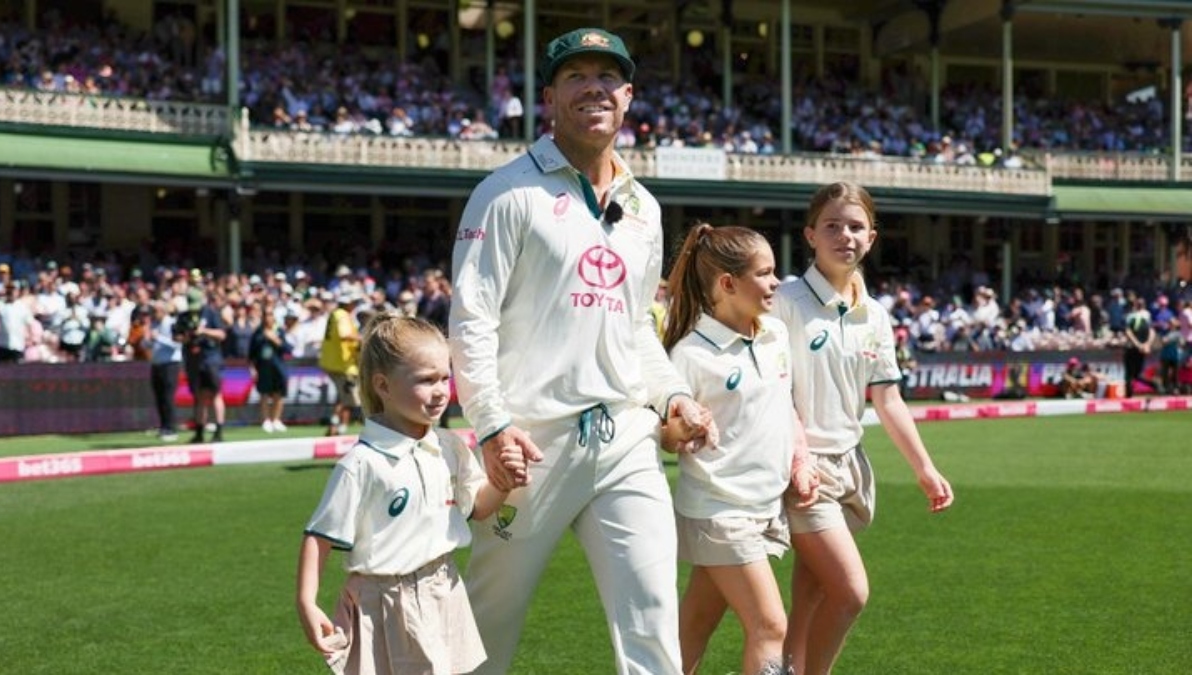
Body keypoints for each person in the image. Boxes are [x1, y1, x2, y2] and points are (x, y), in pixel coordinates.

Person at [449, 27, 715, 674]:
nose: (593, 87)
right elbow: (470, 318)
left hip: (625, 437)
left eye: (607, 77)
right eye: (576, 76)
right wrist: (492, 425)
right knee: (482, 633)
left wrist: (672, 393)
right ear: (549, 96)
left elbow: (635, 332)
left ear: (627, 97)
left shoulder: (644, 209)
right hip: (528, 445)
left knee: (654, 624)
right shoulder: (506, 192)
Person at [772, 181, 954, 675]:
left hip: (852, 467)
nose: (844, 235)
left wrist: (925, 468)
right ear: (810, 234)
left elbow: (887, 398)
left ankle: (783, 669)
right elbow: (773, 391)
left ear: (872, 238)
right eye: (832, 225)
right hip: (802, 471)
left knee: (812, 592)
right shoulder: (784, 300)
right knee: (851, 592)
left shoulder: (875, 314)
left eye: (855, 227)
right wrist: (798, 455)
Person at [296, 314, 525, 675]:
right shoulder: (361, 463)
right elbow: (318, 537)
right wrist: (306, 601)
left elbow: (478, 506)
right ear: (383, 385)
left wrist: (503, 482)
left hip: (444, 587)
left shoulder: (449, 446)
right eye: (426, 380)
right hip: (385, 599)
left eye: (445, 377)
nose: (440, 391)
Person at [660, 223, 819, 675]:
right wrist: (678, 433)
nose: (776, 283)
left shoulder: (771, 335)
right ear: (728, 284)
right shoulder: (690, 354)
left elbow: (783, 406)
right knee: (770, 626)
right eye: (765, 274)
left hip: (765, 507)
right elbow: (664, 434)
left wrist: (800, 460)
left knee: (695, 623)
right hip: (719, 510)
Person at [175, 286, 228, 443]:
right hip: (193, 359)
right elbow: (176, 336)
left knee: (215, 394)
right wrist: (186, 337)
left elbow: (221, 334)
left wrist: (204, 331)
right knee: (198, 396)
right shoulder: (184, 317)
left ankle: (219, 430)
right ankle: (199, 431)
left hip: (211, 358)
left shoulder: (211, 313)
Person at [319, 290, 363, 436]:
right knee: (350, 398)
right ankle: (334, 426)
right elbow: (344, 335)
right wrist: (363, 338)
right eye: (354, 303)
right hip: (342, 364)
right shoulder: (342, 315)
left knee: (342, 398)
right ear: (348, 303)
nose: (355, 306)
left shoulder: (335, 314)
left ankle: (339, 427)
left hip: (336, 362)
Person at [145, 299, 183, 442]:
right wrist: (148, 339)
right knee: (159, 397)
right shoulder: (154, 324)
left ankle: (171, 428)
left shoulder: (171, 323)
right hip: (157, 364)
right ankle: (163, 426)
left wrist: (158, 338)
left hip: (170, 364)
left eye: (155, 311)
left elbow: (177, 344)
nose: (153, 314)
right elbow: (147, 344)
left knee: (168, 397)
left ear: (163, 310)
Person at [249, 305, 291, 433]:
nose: (268, 318)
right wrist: (252, 368)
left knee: (279, 394)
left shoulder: (279, 331)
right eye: (266, 315)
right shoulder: (258, 332)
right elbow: (252, 353)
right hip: (263, 367)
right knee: (264, 394)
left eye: (271, 315)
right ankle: (266, 420)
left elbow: (287, 349)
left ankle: (276, 419)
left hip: (278, 366)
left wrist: (274, 339)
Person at [1122, 295, 1158, 397]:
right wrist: (1146, 345)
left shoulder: (1132, 316)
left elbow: (1128, 332)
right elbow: (1151, 331)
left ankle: (1129, 396)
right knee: (1136, 374)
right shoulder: (1146, 315)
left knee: (1130, 374)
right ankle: (1154, 386)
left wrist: (1142, 345)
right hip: (1140, 348)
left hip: (1134, 347)